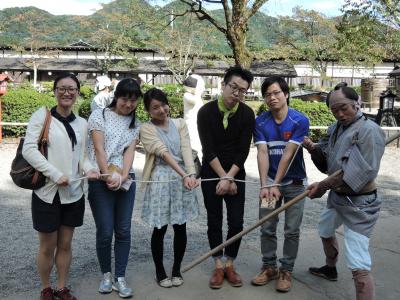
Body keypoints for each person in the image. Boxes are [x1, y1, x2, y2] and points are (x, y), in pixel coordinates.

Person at [303, 86, 385, 300]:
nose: (340, 114)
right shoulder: (335, 128)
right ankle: (330, 268)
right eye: (334, 110)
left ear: (357, 102)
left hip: (360, 204)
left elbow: (359, 174)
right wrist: (312, 148)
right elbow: (328, 164)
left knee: (358, 262)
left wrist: (322, 186)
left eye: (344, 108)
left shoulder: (370, 131)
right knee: (325, 228)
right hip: (337, 197)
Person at [22, 73, 99, 300]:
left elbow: (82, 156)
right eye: (62, 88)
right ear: (55, 91)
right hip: (47, 192)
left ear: (77, 92)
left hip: (73, 194)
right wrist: (55, 174)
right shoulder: (42, 116)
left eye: (72, 89)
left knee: (65, 244)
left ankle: (62, 287)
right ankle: (46, 288)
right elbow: (29, 149)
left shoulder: (82, 123)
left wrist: (90, 169)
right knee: (48, 246)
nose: (67, 93)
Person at [197, 65, 255, 289]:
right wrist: (222, 177)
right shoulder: (206, 112)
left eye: (243, 90)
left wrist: (230, 177)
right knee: (214, 220)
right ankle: (218, 265)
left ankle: (230, 262)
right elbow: (207, 149)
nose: (237, 93)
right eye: (234, 87)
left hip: (235, 173)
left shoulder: (247, 114)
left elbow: (243, 151)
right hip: (212, 173)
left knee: (237, 221)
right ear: (223, 85)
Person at [251, 76, 310, 293]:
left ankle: (286, 270)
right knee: (267, 226)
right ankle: (269, 267)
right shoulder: (260, 122)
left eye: (276, 93)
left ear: (286, 94)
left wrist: (275, 183)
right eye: (267, 94)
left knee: (292, 230)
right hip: (270, 186)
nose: (272, 97)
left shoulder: (299, 120)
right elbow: (262, 152)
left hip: (294, 184)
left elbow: (288, 153)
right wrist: (266, 185)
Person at [87, 78, 142, 298]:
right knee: (105, 231)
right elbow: (99, 149)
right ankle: (106, 274)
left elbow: (130, 151)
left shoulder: (134, 122)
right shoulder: (99, 115)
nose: (128, 105)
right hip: (101, 179)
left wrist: (125, 174)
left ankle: (120, 276)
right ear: (116, 96)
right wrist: (108, 176)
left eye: (133, 101)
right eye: (125, 99)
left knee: (124, 230)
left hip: (125, 179)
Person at [139, 88, 199, 288]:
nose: (161, 110)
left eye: (163, 104)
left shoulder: (180, 124)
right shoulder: (146, 129)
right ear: (148, 110)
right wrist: (185, 175)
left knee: (180, 226)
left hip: (182, 178)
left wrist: (190, 174)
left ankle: (176, 269)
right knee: (160, 227)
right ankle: (160, 271)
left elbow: (186, 150)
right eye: (155, 107)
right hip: (161, 179)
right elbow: (163, 153)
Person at [183, 74, 205, 161]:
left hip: (198, 122)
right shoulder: (187, 95)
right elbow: (194, 101)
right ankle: (194, 160)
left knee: (199, 141)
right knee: (193, 142)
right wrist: (198, 90)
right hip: (190, 123)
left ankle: (198, 159)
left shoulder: (196, 96)